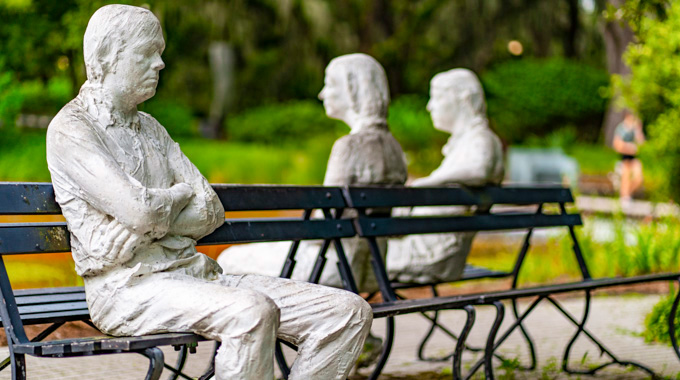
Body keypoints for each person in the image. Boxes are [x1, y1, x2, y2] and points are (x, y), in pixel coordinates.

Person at [45, 5, 371, 380]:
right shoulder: (72, 130)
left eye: (160, 52)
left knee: (348, 312)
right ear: (107, 58)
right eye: (147, 53)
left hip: (196, 274)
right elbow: (141, 212)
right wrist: (173, 198)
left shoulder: (151, 128)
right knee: (252, 312)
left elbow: (211, 210)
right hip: (128, 289)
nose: (160, 64)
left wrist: (149, 217)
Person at [217, 53, 408, 293]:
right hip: (374, 268)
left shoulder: (350, 146)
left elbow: (319, 230)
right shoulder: (394, 148)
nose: (322, 94)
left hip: (335, 267)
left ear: (352, 89)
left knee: (229, 258)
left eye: (329, 84)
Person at [388, 68, 504, 284]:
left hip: (430, 255)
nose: (430, 106)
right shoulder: (471, 142)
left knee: (344, 259)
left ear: (464, 99)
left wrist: (425, 184)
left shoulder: (480, 140)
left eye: (437, 97)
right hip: (434, 250)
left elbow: (479, 169)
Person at [612, 111, 645, 202]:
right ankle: (625, 197)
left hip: (634, 157)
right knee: (625, 177)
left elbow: (641, 143)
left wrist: (639, 129)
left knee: (638, 178)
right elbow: (617, 145)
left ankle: (626, 194)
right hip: (625, 157)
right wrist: (628, 147)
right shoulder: (621, 129)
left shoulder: (634, 129)